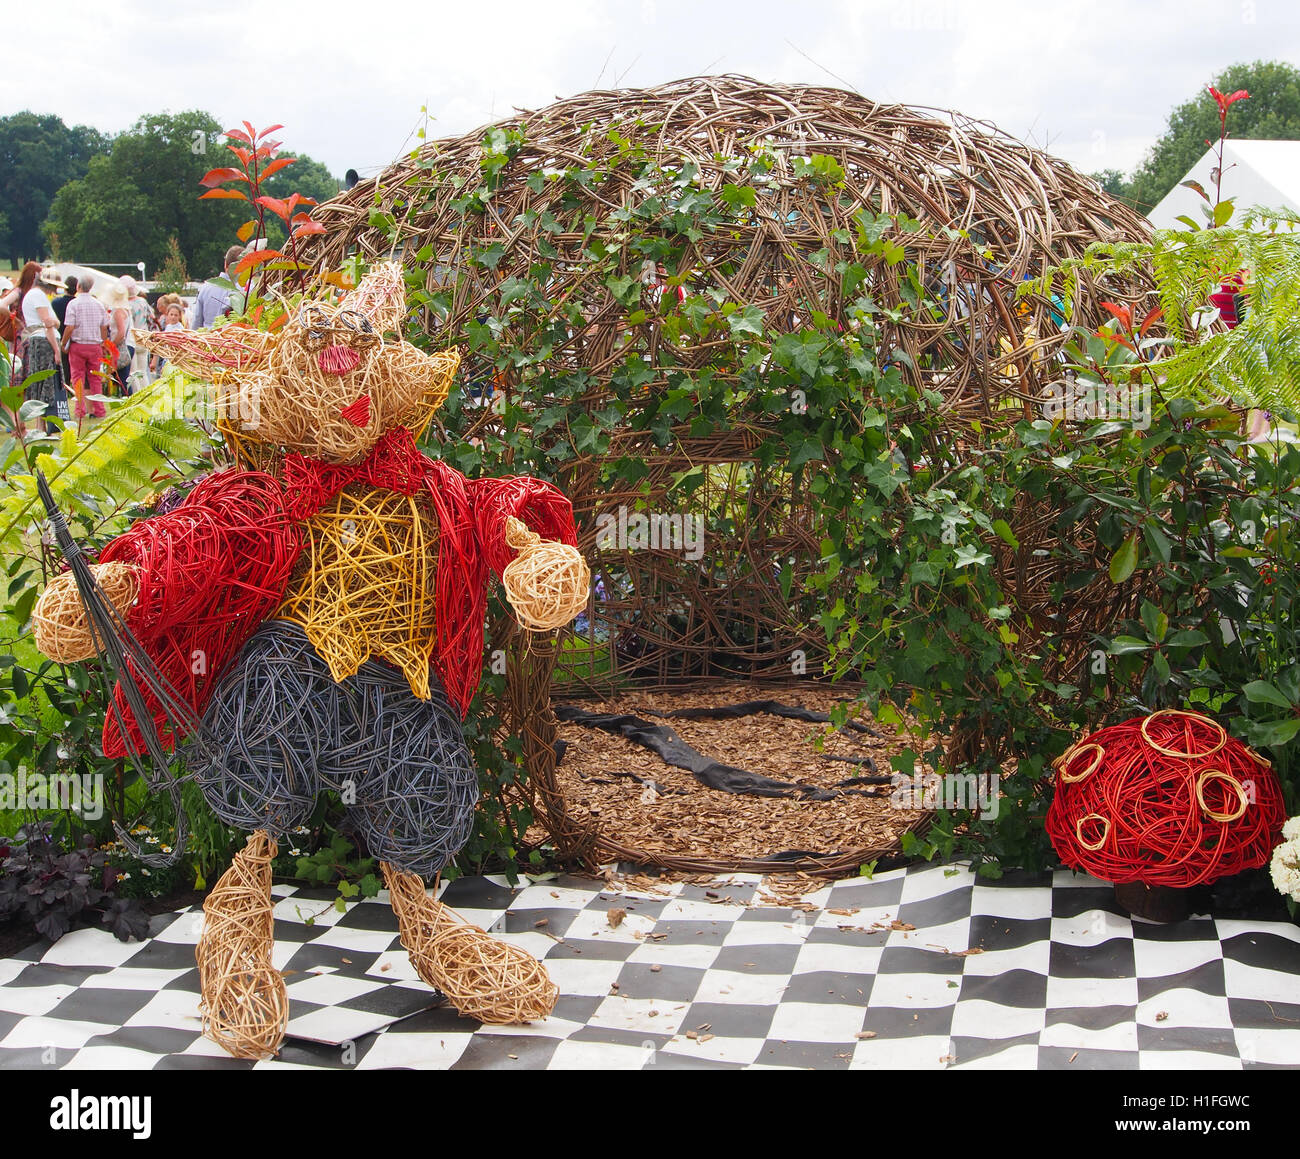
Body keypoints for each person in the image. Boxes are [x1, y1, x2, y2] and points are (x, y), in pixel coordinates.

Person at [9, 263, 68, 430]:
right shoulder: (38, 296)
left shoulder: (32, 294)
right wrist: (57, 351)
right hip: (45, 342)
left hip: (39, 340)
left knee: (40, 384)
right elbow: (49, 324)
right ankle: (44, 426)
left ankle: (41, 427)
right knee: (47, 384)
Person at [61, 275, 111, 420]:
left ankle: (80, 410)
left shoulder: (73, 304)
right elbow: (104, 326)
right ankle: (99, 409)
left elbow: (70, 327)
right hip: (94, 345)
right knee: (95, 379)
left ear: (78, 286)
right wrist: (103, 343)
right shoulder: (98, 304)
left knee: (78, 378)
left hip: (78, 345)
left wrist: (64, 342)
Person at [191, 245, 247, 329]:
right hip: (234, 339)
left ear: (225, 264)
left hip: (206, 339)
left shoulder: (205, 287)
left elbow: (197, 322)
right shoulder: (246, 290)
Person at [101, 279, 134, 396]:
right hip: (128, 344)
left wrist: (111, 346)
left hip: (121, 346)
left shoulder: (118, 312)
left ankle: (128, 400)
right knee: (123, 378)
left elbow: (120, 332)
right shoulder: (125, 310)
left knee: (123, 378)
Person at [122, 275, 153, 390]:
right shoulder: (143, 301)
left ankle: (137, 394)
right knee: (143, 371)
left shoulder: (126, 305)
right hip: (144, 337)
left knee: (133, 372)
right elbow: (151, 317)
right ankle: (147, 394)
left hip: (132, 339)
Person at [52, 275, 78, 386]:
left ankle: (63, 385)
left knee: (62, 365)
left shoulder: (55, 303)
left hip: (59, 335)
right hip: (75, 338)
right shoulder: (77, 303)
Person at [149, 301, 186, 378]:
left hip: (175, 359)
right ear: (167, 315)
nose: (173, 317)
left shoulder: (179, 329)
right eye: (171, 314)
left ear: (179, 316)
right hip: (166, 358)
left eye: (176, 315)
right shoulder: (168, 327)